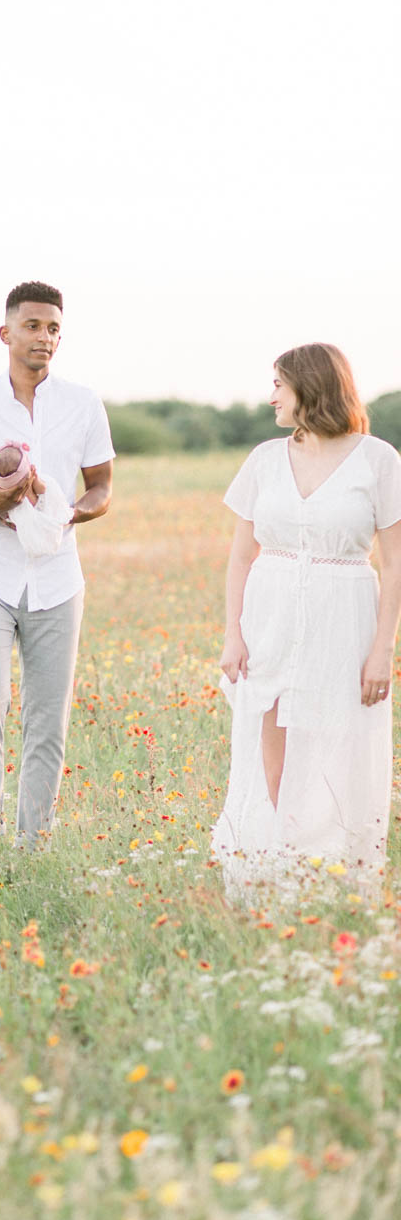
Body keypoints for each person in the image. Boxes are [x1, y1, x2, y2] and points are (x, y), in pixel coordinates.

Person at [0, 281, 114, 892]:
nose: (45, 338)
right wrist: (4, 497)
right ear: (6, 333)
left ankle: (34, 848)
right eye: (35, 326)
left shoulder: (84, 403)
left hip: (58, 575)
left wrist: (68, 513)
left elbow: (102, 487)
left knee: (49, 718)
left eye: (54, 330)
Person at [215, 343, 401, 897]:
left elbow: (393, 564)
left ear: (311, 386)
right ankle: (282, 868)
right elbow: (240, 556)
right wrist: (233, 632)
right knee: (270, 735)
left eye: (279, 383)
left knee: (336, 741)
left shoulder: (378, 460)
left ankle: (334, 875)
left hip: (344, 616)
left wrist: (381, 650)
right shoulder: (264, 459)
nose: (271, 395)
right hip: (269, 615)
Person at [0, 441, 75, 558]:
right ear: (28, 468)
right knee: (43, 495)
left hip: (24, 514)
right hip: (22, 514)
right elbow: (43, 489)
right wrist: (38, 484)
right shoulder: (26, 481)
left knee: (39, 507)